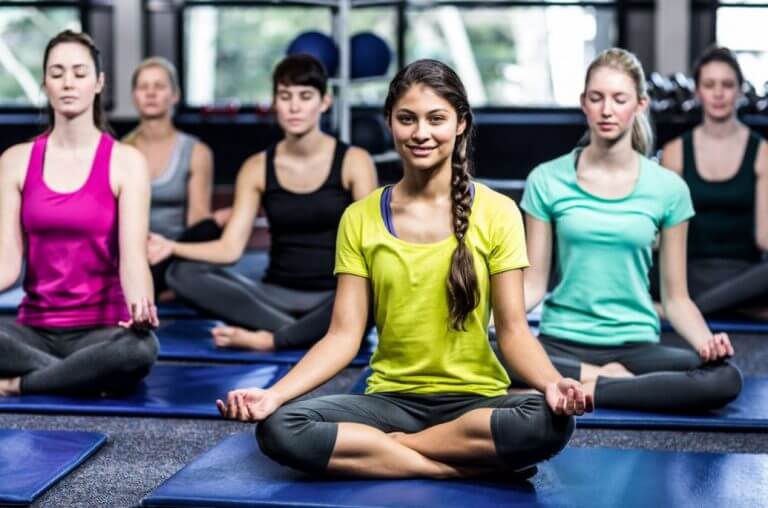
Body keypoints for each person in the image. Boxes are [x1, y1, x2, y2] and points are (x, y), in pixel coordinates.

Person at [217, 59, 590, 479]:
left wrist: (552, 383)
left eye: (436, 119)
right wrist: (273, 395)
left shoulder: (499, 212)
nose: (421, 133)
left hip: (475, 401)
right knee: (280, 427)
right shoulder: (360, 217)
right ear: (390, 123)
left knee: (550, 420)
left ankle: (395, 452)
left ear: (461, 123)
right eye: (407, 119)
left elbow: (514, 331)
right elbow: (343, 335)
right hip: (389, 402)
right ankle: (459, 469)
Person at [519, 48, 742, 412]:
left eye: (618, 99)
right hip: (561, 342)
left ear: (639, 105)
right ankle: (601, 378)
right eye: (597, 98)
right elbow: (532, 285)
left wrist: (706, 344)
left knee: (724, 377)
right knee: (491, 349)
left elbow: (676, 299)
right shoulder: (546, 180)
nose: (607, 110)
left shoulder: (668, 189)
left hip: (638, 346)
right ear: (583, 104)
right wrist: (484, 321)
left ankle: (594, 388)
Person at [149, 54, 378, 351]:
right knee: (182, 273)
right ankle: (312, 334)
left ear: (324, 102)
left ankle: (277, 337)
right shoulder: (256, 167)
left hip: (335, 295)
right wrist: (172, 247)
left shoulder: (354, 162)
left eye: (305, 96)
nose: (294, 107)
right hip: (272, 296)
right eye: (285, 96)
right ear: (275, 103)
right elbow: (230, 249)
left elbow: (372, 248)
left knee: (375, 287)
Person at [0, 30, 158, 397]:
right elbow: (7, 264)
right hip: (32, 333)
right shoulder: (14, 162)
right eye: (57, 73)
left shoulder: (127, 162)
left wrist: (141, 307)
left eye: (79, 73)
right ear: (45, 84)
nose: (68, 83)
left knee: (141, 349)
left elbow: (133, 259)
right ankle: (81, 377)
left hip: (102, 333)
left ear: (98, 82)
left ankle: (21, 383)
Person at [660, 46, 768, 318]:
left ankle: (681, 312)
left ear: (740, 91)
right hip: (689, 274)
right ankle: (739, 309)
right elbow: (666, 235)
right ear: (698, 92)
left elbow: (764, 238)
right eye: (709, 85)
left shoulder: (763, 152)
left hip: (745, 276)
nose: (718, 93)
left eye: (727, 85)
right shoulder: (675, 151)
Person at [124, 57, 221, 298]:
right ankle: (155, 288)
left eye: (159, 86)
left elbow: (197, 221)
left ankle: (167, 286)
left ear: (174, 95)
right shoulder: (119, 152)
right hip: (131, 253)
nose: (151, 93)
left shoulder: (197, 152)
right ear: (134, 96)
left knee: (210, 227)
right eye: (143, 87)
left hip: (174, 254)